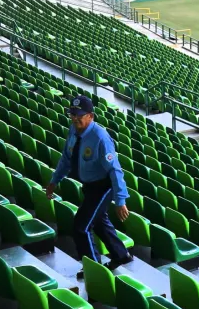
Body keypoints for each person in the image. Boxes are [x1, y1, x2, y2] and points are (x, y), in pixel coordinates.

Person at [44, 95, 133, 272]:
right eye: (72, 114)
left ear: (90, 116)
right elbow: (66, 158)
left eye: (79, 115)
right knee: (99, 221)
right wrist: (55, 180)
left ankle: (94, 270)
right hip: (89, 185)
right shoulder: (73, 130)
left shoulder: (100, 137)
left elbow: (115, 170)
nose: (75, 118)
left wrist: (120, 200)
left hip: (102, 187)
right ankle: (121, 255)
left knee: (81, 227)